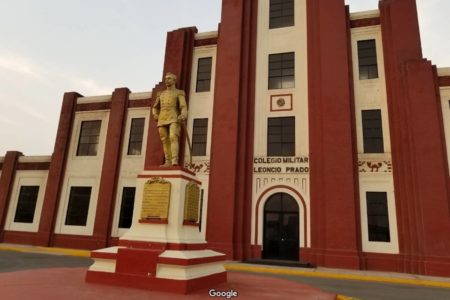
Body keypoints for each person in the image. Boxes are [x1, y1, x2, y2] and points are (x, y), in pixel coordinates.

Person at [152, 72, 188, 166]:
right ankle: (168, 161)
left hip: (173, 117)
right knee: (164, 140)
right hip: (162, 118)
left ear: (174, 80)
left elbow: (183, 106)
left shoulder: (179, 92)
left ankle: (174, 159)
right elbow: (155, 107)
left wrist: (183, 115)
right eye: (166, 78)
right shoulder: (161, 94)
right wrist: (155, 114)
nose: (166, 80)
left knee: (173, 137)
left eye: (169, 78)